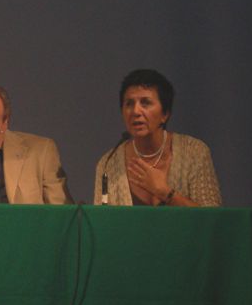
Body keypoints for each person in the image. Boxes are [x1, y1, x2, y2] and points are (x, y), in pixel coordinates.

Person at [94, 69, 221, 206]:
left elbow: (212, 217)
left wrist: (165, 193)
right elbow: (100, 218)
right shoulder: (108, 164)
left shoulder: (194, 152)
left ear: (165, 114)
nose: (136, 111)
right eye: (129, 104)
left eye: (145, 103)